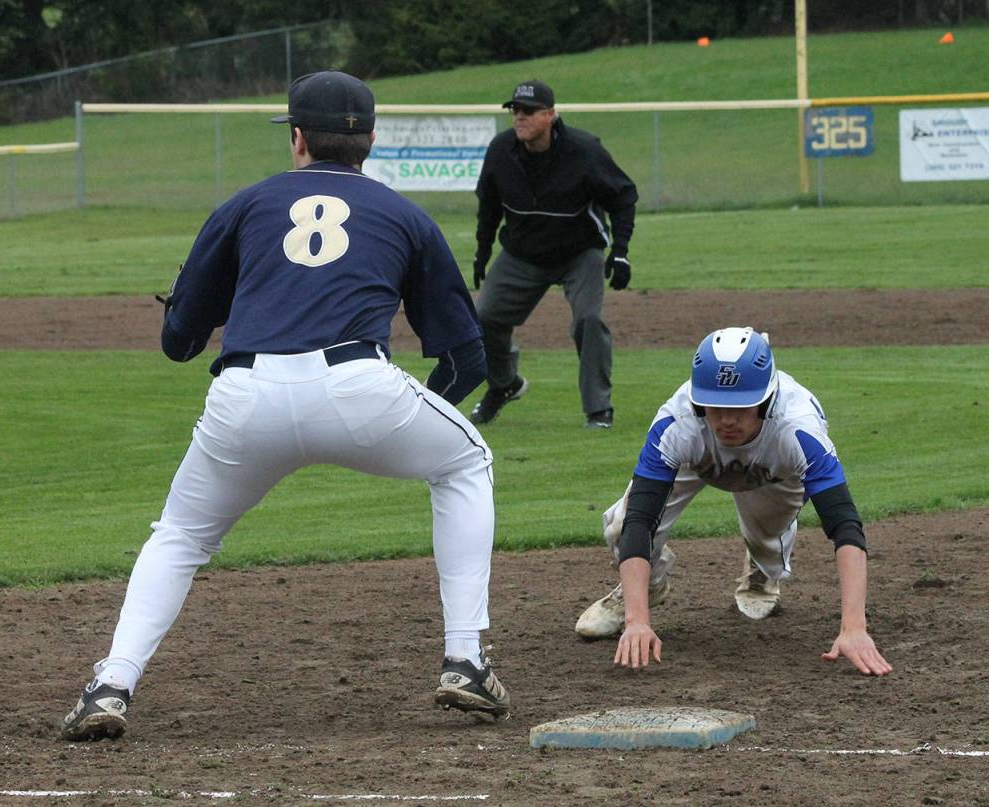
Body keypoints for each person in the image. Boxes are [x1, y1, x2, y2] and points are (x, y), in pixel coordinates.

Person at [60, 71, 511, 741]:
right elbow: (467, 359)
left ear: (296, 138)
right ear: (371, 141)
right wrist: (394, 428)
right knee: (465, 461)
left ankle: (111, 684)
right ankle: (465, 661)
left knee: (180, 535)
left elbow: (179, 342)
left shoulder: (246, 205)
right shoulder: (405, 214)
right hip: (361, 386)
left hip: (245, 393)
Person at [575, 327, 893, 677]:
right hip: (696, 460)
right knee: (622, 527)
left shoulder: (797, 430)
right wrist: (638, 621)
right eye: (716, 406)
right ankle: (642, 590)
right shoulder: (677, 422)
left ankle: (762, 566)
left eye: (741, 407)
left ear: (766, 399)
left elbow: (844, 524)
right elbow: (641, 518)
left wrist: (854, 628)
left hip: (775, 469)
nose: (727, 419)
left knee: (767, 540)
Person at [469, 79, 639, 429]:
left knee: (588, 321)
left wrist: (620, 252)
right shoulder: (501, 151)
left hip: (579, 251)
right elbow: (489, 206)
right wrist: (482, 252)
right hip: (522, 253)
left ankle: (598, 410)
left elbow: (623, 196)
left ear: (550, 114)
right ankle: (504, 385)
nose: (519, 117)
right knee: (482, 318)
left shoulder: (584, 150)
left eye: (528, 111)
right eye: (514, 110)